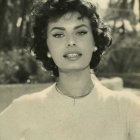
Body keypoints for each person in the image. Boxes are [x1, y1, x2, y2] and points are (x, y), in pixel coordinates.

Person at [0, 0, 140, 140]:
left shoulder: (127, 108)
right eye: (58, 35)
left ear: (95, 43)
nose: (71, 41)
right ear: (47, 48)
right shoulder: (24, 109)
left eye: (80, 32)